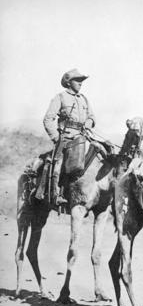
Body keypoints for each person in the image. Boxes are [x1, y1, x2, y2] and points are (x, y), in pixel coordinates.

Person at [38, 69, 95, 205]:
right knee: (58, 163)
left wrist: (87, 124)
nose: (81, 83)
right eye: (77, 80)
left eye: (82, 80)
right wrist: (56, 138)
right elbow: (48, 119)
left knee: (98, 153)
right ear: (69, 83)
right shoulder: (60, 97)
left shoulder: (84, 99)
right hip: (66, 137)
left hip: (83, 136)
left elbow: (92, 117)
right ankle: (55, 193)